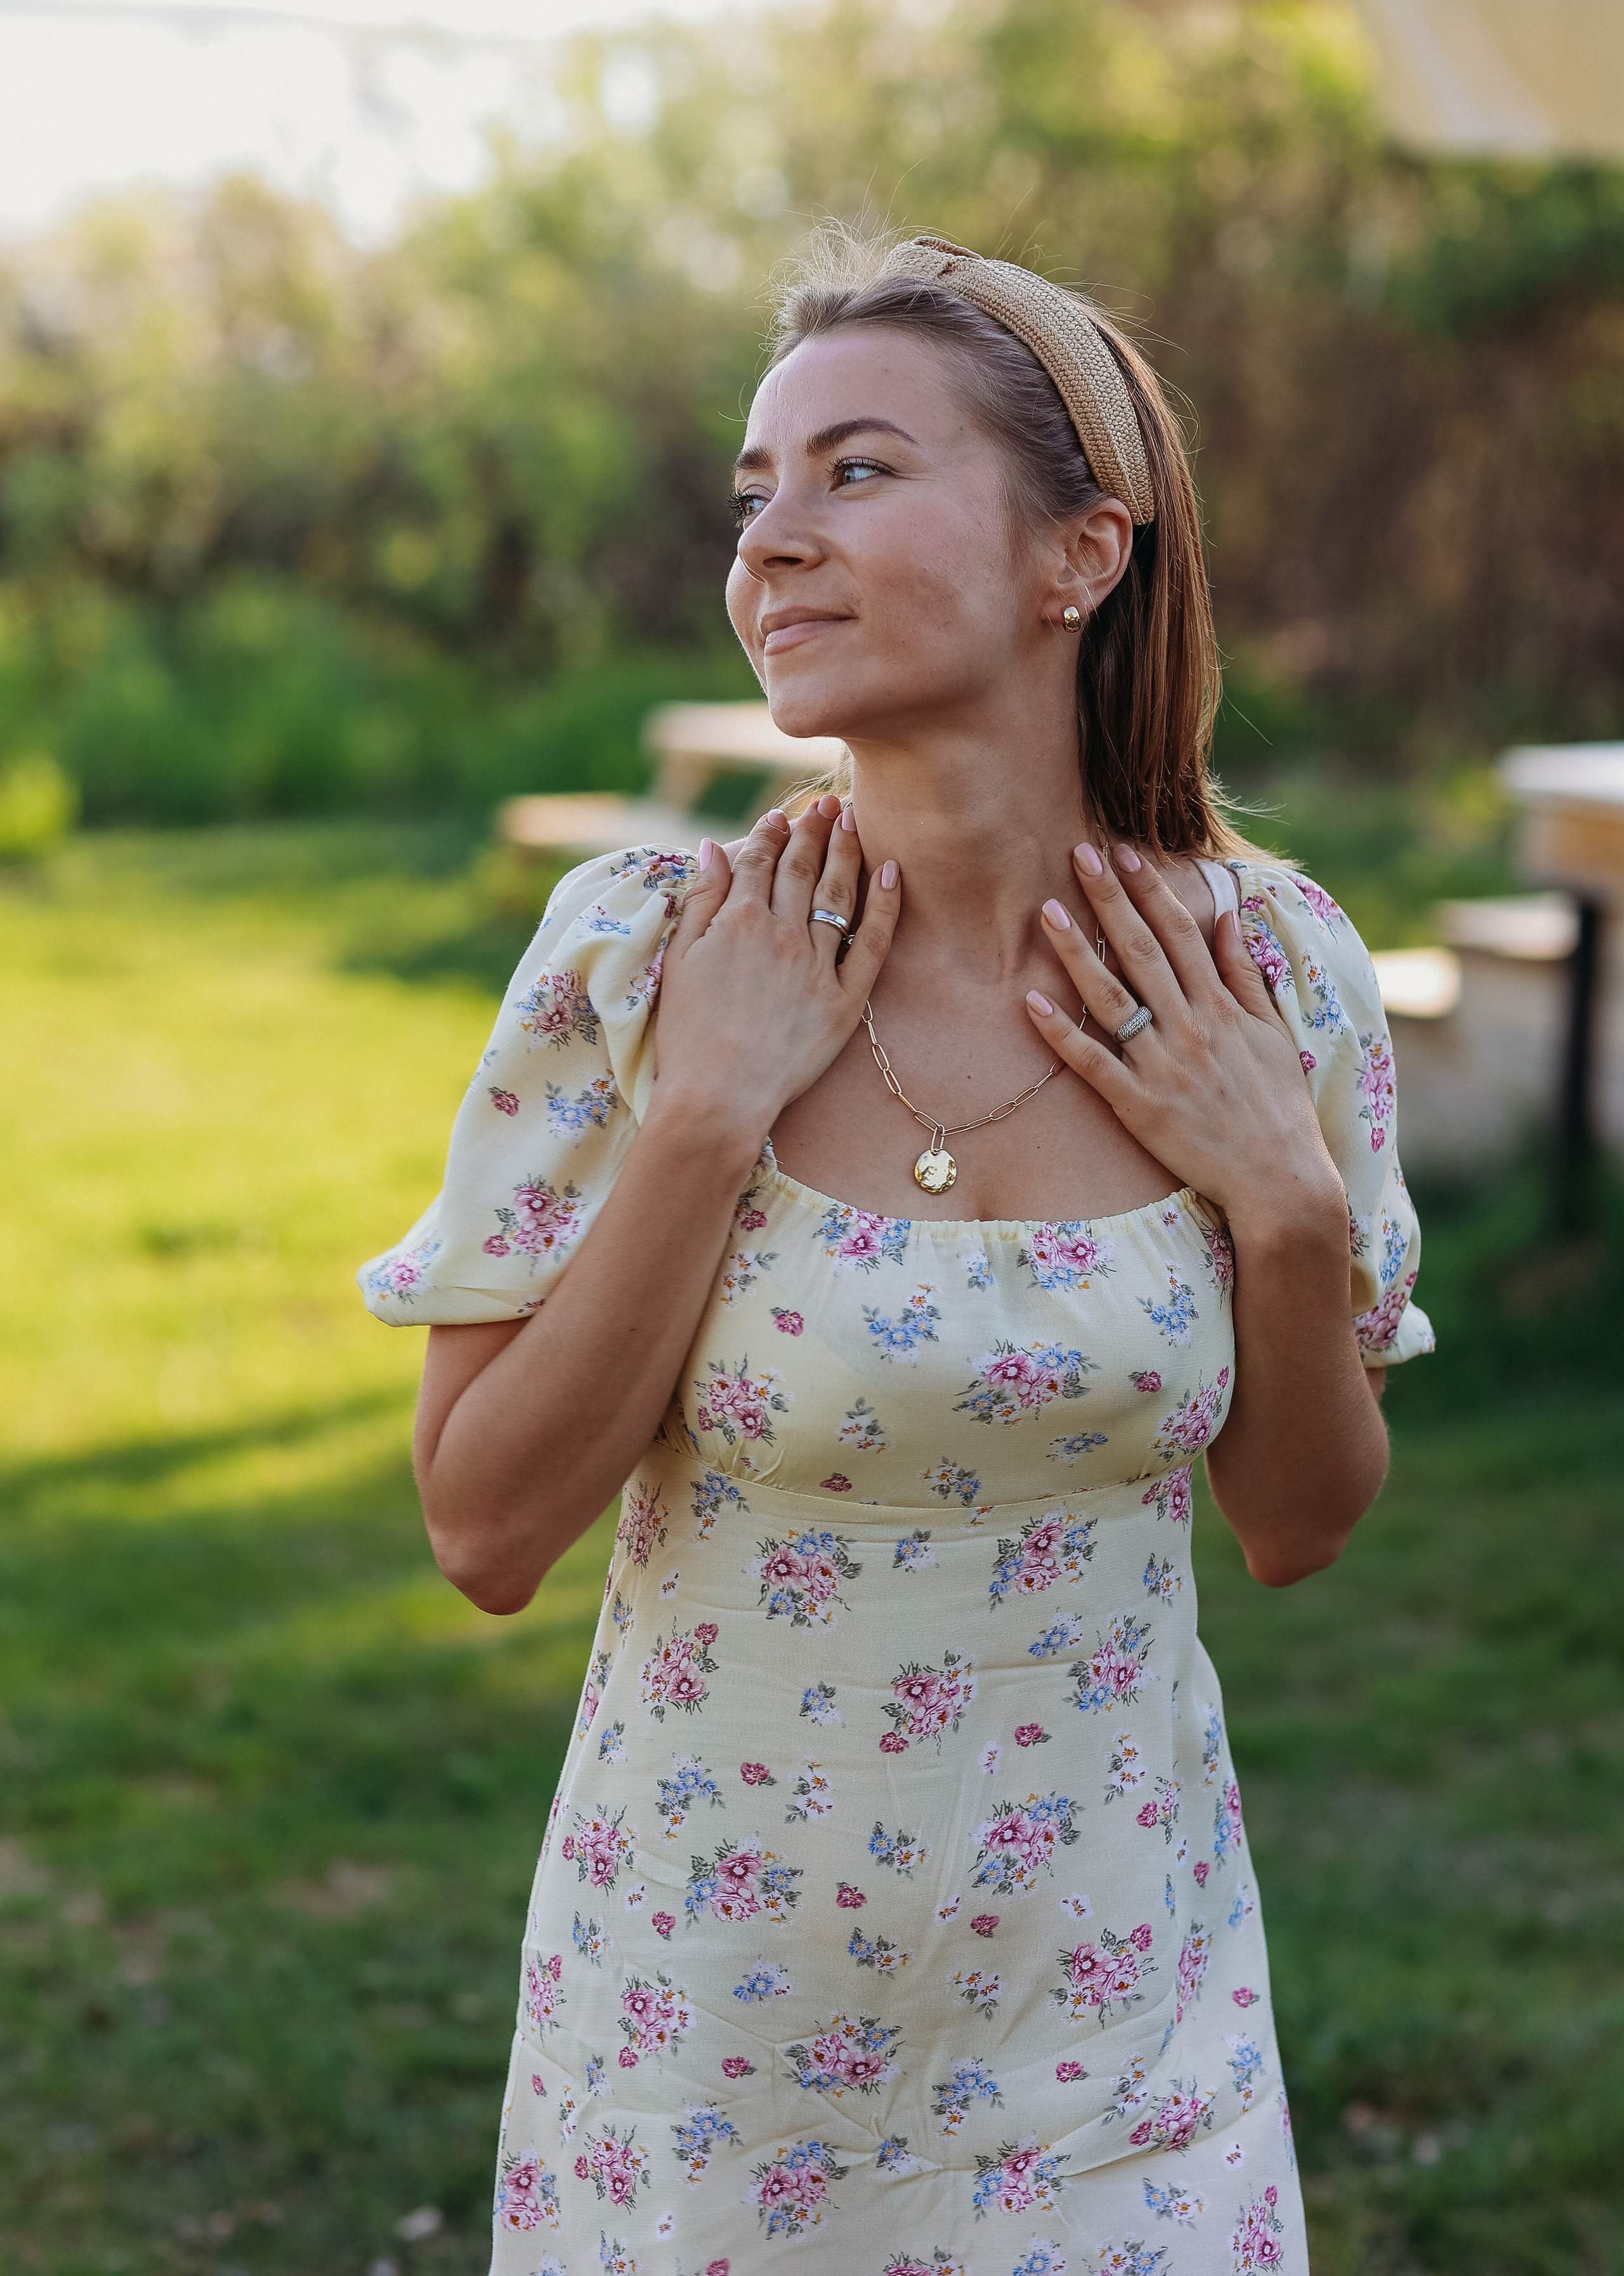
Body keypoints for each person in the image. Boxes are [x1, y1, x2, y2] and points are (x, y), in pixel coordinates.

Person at [360, 230, 1432, 2272]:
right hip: (704, 2066)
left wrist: (1282, 1207)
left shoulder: (1270, 972)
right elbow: (484, 1533)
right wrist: (703, 1116)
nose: (775, 540)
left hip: (1125, 2048)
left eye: (857, 472)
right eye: (756, 491)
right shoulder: (641, 957)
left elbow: (1300, 1521)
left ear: (1079, 555)